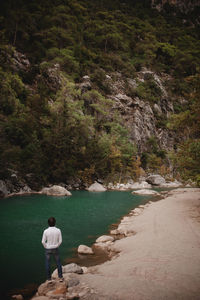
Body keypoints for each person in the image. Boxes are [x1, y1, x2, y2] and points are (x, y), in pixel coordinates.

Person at [42, 217, 63, 282]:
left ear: (48, 223)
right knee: (58, 263)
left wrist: (46, 247)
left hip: (48, 249)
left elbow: (43, 241)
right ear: (55, 222)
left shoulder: (46, 231)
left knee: (47, 263)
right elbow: (60, 241)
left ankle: (49, 279)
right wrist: (57, 245)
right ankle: (60, 277)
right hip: (55, 248)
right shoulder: (58, 230)